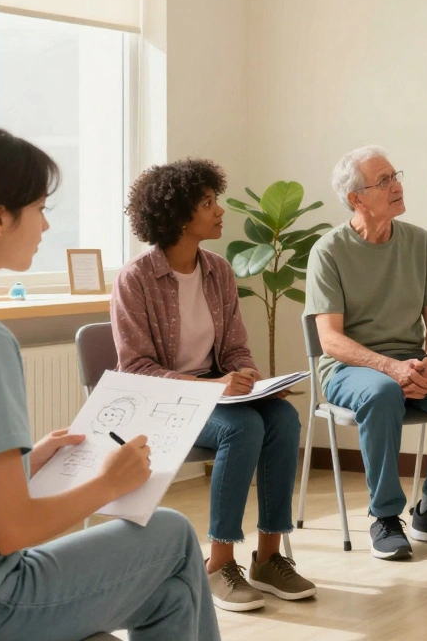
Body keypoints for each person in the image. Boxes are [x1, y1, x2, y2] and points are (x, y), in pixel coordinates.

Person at [0, 127, 219, 640]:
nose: (45, 225)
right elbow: (12, 531)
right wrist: (109, 484)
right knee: (170, 531)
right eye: (39, 208)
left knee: (171, 596)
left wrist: (25, 462)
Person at [112, 159, 314, 612]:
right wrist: (211, 388)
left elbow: (236, 348)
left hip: (215, 391)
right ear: (179, 216)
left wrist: (252, 380)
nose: (220, 211)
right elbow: (136, 370)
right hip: (164, 400)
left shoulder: (218, 271)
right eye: (208, 203)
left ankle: (268, 559)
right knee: (242, 428)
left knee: (282, 417)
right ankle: (218, 563)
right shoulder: (135, 279)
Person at [304, 145, 427, 561]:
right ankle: (384, 516)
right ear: (356, 198)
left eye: (394, 176)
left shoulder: (418, 242)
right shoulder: (328, 251)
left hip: (412, 361)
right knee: (383, 392)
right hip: (349, 369)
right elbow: (330, 340)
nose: (396, 186)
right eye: (383, 181)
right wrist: (389, 368)